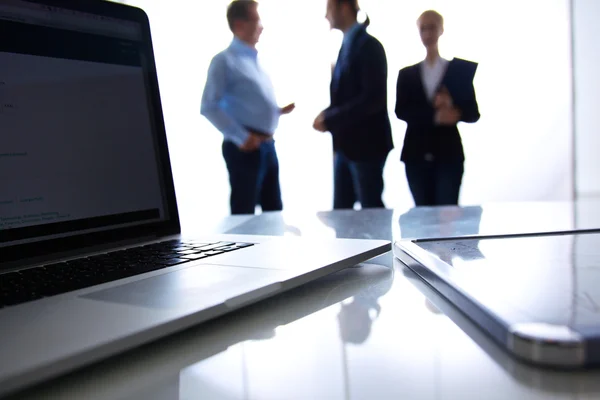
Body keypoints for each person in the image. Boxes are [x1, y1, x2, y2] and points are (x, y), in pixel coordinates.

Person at [201, 0, 295, 215]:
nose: (261, 26)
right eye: (256, 19)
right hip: (245, 149)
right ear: (239, 24)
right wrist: (241, 137)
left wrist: (275, 111)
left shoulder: (255, 60)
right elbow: (208, 106)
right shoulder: (224, 61)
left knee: (274, 213)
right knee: (244, 215)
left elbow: (247, 103)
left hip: (267, 145)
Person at [313, 0, 393, 210]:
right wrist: (327, 114)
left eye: (329, 9)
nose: (326, 16)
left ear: (344, 7)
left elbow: (372, 99)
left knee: (371, 212)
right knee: (342, 214)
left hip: (366, 146)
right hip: (346, 147)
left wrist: (330, 118)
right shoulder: (347, 45)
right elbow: (347, 97)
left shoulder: (369, 46)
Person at [395, 10, 480, 207]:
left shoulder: (456, 72)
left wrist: (452, 107)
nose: (427, 33)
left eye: (432, 27)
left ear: (441, 30)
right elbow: (401, 110)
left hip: (448, 152)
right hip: (416, 151)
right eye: (423, 28)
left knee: (447, 213)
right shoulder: (407, 75)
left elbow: (472, 112)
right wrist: (435, 117)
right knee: (422, 214)